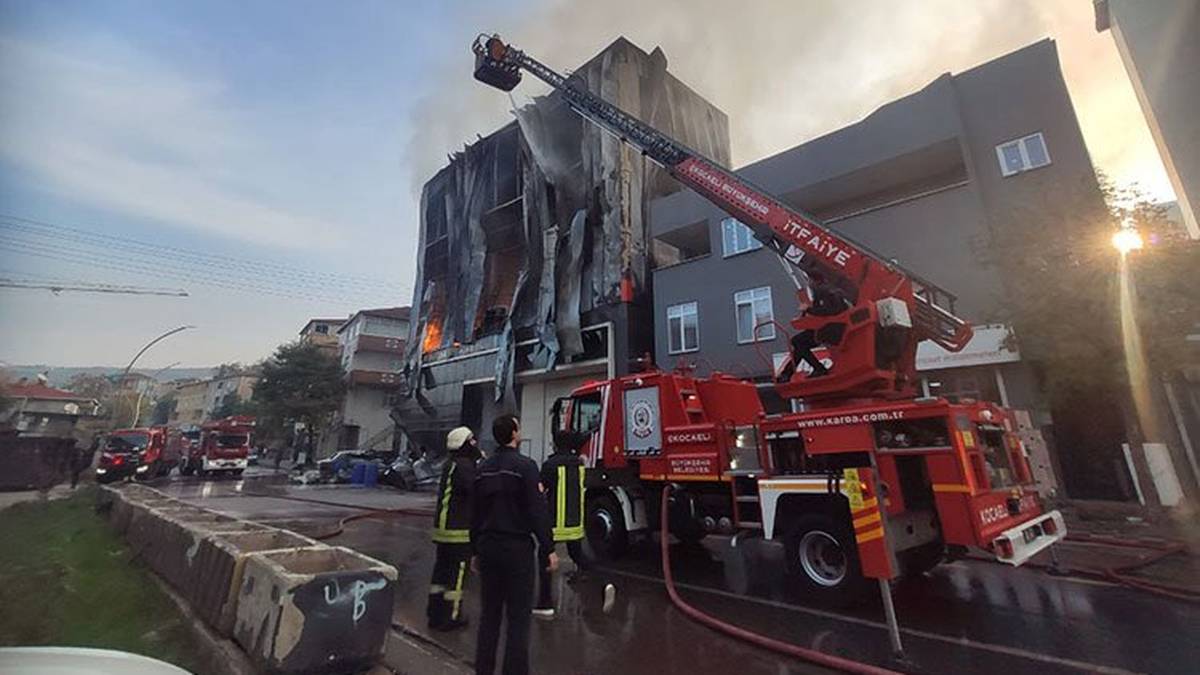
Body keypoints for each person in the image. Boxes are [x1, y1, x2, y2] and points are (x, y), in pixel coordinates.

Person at [471, 415, 556, 675]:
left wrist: (475, 549)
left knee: (490, 616)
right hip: (517, 549)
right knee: (518, 618)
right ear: (514, 434)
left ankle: (483, 669)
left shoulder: (483, 468)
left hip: (488, 547)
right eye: (519, 427)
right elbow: (537, 510)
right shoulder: (526, 467)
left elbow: (476, 512)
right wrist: (548, 547)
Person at [426, 426, 481, 631]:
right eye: (472, 441)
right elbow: (476, 491)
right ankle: (452, 616)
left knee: (440, 574)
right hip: (459, 531)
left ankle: (434, 613)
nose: (475, 444)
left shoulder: (451, 464)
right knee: (456, 577)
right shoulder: (465, 467)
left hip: (443, 530)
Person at [532, 441, 590, 618]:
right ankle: (602, 584)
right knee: (579, 556)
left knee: (545, 559)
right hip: (575, 524)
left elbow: (540, 489)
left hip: (555, 524)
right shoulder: (579, 464)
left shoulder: (550, 465)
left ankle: (545, 603)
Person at [780, 272, 850, 381]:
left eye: (809, 280)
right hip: (834, 327)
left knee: (797, 342)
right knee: (800, 343)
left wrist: (807, 309)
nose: (808, 284)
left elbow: (827, 311)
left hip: (830, 329)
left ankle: (818, 369)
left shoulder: (822, 291)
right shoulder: (832, 290)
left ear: (813, 280)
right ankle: (786, 374)